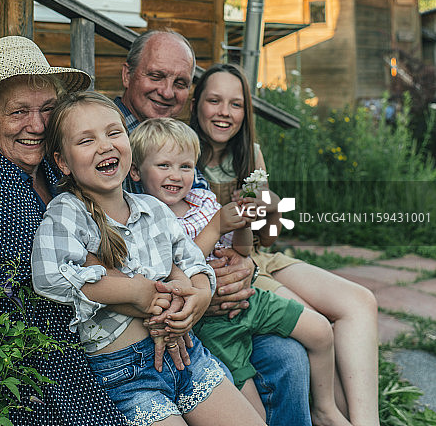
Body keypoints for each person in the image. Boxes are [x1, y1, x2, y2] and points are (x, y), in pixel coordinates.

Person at [31, 91, 267, 426]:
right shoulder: (69, 213)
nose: (105, 145)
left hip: (187, 356)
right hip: (126, 375)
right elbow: (50, 277)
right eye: (86, 140)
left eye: (114, 133)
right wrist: (135, 293)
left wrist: (197, 296)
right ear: (63, 162)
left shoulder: (153, 209)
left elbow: (192, 262)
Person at [115, 29, 312, 426]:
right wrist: (210, 284)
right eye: (156, 76)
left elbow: (236, 230)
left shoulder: (185, 143)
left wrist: (244, 264)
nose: (168, 91)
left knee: (295, 353)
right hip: (167, 310)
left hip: (217, 287)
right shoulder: (114, 136)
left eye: (180, 82)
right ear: (127, 75)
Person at [0, 36, 129, 426]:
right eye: (18, 112)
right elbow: (55, 269)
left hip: (91, 337)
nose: (38, 125)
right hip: (28, 363)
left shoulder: (52, 166)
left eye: (48, 109)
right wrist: (147, 293)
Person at [130, 118, 355, 426]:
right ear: (136, 171)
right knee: (254, 416)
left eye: (185, 166)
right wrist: (217, 225)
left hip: (247, 300)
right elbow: (177, 269)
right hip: (212, 327)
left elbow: (242, 251)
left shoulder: (203, 200)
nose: (176, 175)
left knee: (319, 330)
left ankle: (325, 410)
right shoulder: (143, 216)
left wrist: (243, 225)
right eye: (164, 165)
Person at [190, 63, 381, 426]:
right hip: (228, 264)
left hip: (259, 255)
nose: (224, 112)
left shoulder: (250, 154)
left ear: (245, 111)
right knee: (319, 321)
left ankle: (365, 421)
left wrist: (271, 208)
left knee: (360, 301)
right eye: (214, 101)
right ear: (197, 103)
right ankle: (329, 414)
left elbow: (268, 238)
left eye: (235, 104)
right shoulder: (181, 156)